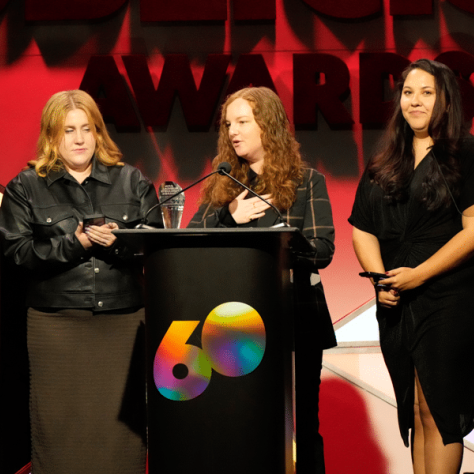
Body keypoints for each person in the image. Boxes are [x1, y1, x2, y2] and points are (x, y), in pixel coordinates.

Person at [0, 90, 162, 474]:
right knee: (59, 426)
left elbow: (156, 244)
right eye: (68, 130)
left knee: (122, 427)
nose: (78, 139)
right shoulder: (25, 186)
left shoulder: (131, 180)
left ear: (98, 133)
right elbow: (17, 252)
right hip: (56, 324)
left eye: (86, 129)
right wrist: (76, 243)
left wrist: (120, 244)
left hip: (122, 321)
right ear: (52, 137)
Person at [188, 86, 336, 473]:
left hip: (295, 315)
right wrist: (228, 219)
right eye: (228, 123)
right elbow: (191, 238)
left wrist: (281, 241)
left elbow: (323, 249)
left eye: (243, 122)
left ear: (267, 126)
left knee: (302, 420)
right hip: (234, 323)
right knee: (245, 419)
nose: (233, 131)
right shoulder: (222, 183)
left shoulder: (307, 181)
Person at [349, 59, 474, 474]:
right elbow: (362, 230)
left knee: (440, 408)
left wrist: (420, 274)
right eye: (408, 92)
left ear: (446, 100)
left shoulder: (466, 153)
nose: (415, 101)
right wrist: (379, 278)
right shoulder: (386, 160)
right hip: (397, 303)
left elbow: (473, 230)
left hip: (448, 297)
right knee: (417, 407)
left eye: (427, 92)